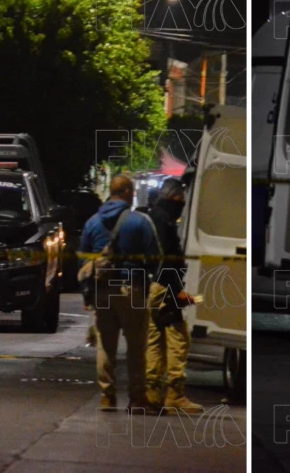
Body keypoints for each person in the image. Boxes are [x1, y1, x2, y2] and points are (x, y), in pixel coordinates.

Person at [80, 174, 161, 412]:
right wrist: (147, 281)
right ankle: (136, 398)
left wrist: (87, 294)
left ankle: (107, 396)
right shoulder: (140, 221)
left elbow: (83, 261)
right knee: (136, 346)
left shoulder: (92, 222)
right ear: (126, 192)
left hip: (102, 291)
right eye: (132, 191)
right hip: (131, 289)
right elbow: (155, 257)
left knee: (106, 345)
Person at [145, 178, 203, 413]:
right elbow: (167, 258)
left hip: (153, 286)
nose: (182, 202)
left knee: (154, 340)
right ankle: (174, 394)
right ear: (173, 196)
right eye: (180, 198)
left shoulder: (153, 217)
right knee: (178, 339)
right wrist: (177, 290)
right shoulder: (164, 220)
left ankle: (151, 393)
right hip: (165, 287)